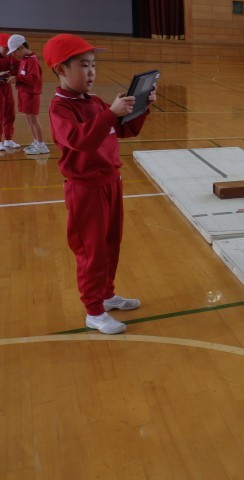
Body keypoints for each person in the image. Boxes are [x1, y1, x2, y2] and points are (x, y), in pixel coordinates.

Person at [44, 33, 156, 334]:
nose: (91, 71)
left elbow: (125, 129)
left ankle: (106, 295)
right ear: (61, 70)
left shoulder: (93, 102)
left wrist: (141, 108)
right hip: (86, 189)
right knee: (91, 250)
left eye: (93, 64)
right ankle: (93, 311)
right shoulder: (60, 108)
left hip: (111, 181)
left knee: (110, 244)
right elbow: (79, 140)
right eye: (83, 65)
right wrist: (109, 114)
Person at [6, 34, 47, 154]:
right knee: (30, 120)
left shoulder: (32, 60)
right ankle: (36, 141)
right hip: (24, 94)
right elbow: (23, 76)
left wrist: (17, 78)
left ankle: (42, 145)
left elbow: (34, 79)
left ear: (21, 47)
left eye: (15, 51)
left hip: (31, 95)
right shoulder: (24, 60)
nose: (14, 54)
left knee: (34, 121)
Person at [0, 33, 20, 151]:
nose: (7, 50)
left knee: (10, 113)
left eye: (8, 48)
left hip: (7, 87)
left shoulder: (10, 56)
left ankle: (8, 139)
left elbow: (18, 68)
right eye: (5, 48)